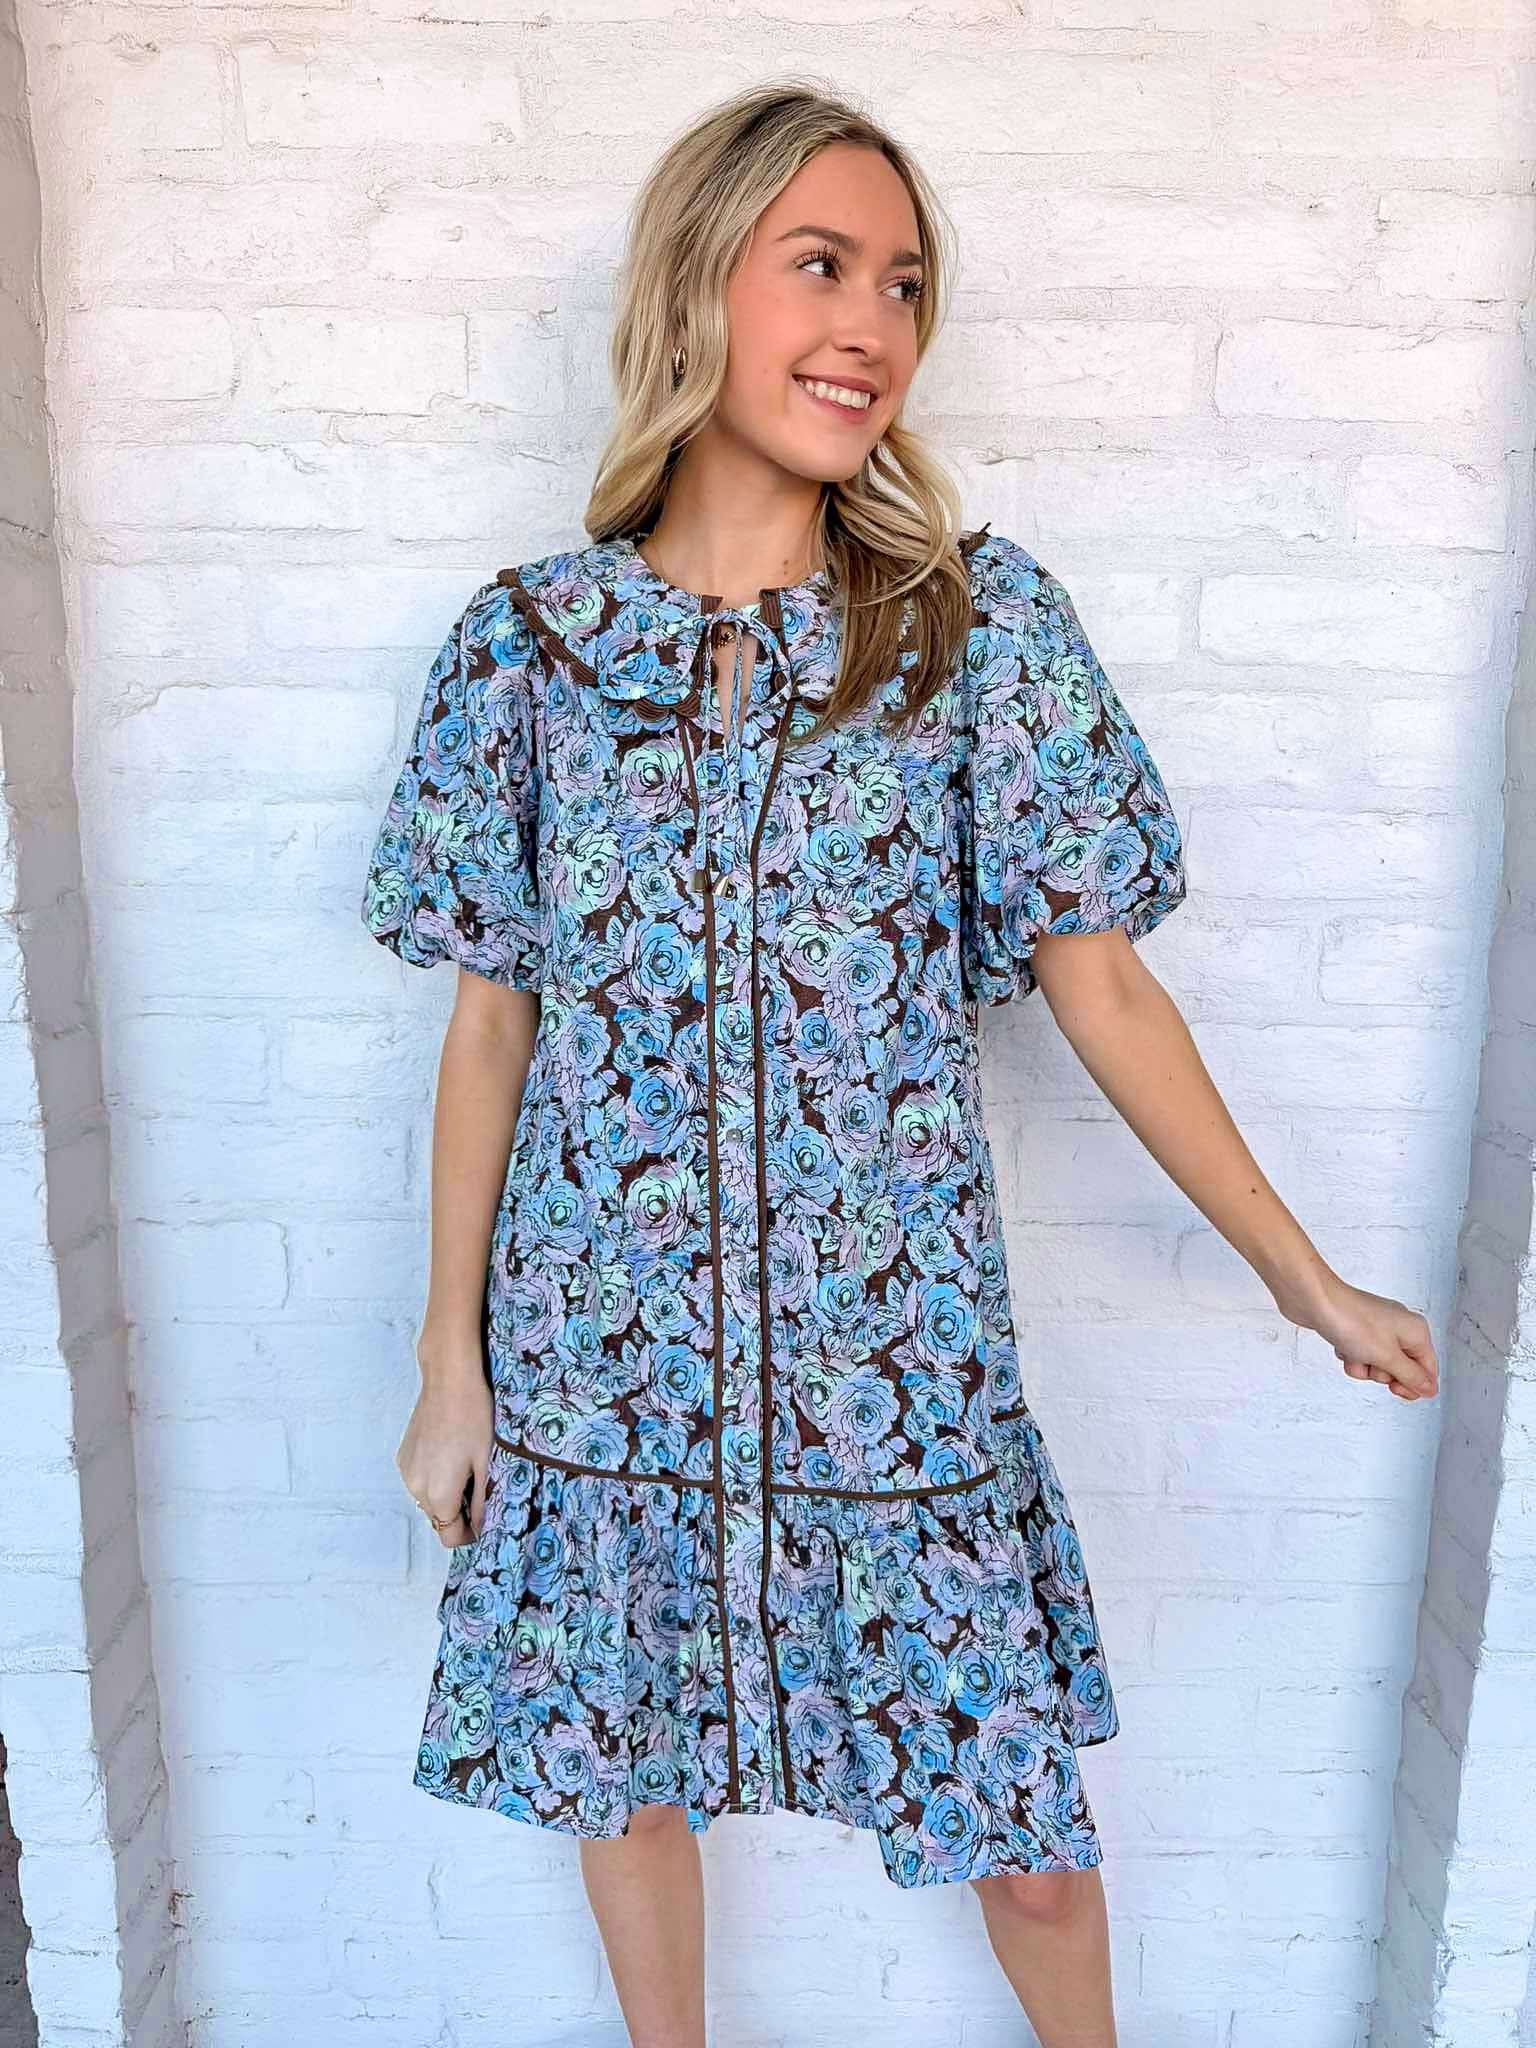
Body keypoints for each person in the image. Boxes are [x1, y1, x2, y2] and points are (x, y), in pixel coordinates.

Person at [358, 79, 1439, 2048]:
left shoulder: (971, 636)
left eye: (907, 284)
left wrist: (1304, 1276)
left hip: (896, 1370)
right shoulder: (527, 652)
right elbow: (492, 1018)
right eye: (823, 266)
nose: (872, 325)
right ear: (699, 285)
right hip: (604, 1359)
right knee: (625, 1778)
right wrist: (452, 1365)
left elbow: (1106, 990)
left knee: (1027, 1849)